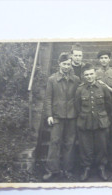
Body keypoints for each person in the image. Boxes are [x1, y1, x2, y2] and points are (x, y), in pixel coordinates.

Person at [43, 52, 80, 181]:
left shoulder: (76, 79)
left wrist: (78, 113)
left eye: (68, 64)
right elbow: (48, 98)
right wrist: (49, 115)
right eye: (64, 64)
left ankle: (67, 170)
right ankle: (52, 170)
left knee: (70, 144)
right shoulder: (52, 79)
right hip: (57, 116)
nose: (66, 66)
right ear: (59, 64)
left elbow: (78, 98)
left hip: (72, 116)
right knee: (54, 142)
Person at [75, 63, 112, 181]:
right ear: (83, 76)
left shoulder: (103, 87)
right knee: (86, 147)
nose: (89, 76)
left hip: (101, 122)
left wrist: (105, 118)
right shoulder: (80, 89)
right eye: (86, 75)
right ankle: (86, 168)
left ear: (95, 74)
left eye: (91, 74)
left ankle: (101, 168)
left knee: (102, 146)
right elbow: (77, 107)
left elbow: (109, 104)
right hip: (85, 123)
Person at [96, 50, 112, 174]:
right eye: (101, 58)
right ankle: (102, 164)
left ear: (109, 59)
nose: (104, 60)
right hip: (101, 109)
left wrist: (107, 87)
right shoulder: (95, 73)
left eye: (106, 57)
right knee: (102, 137)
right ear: (99, 60)